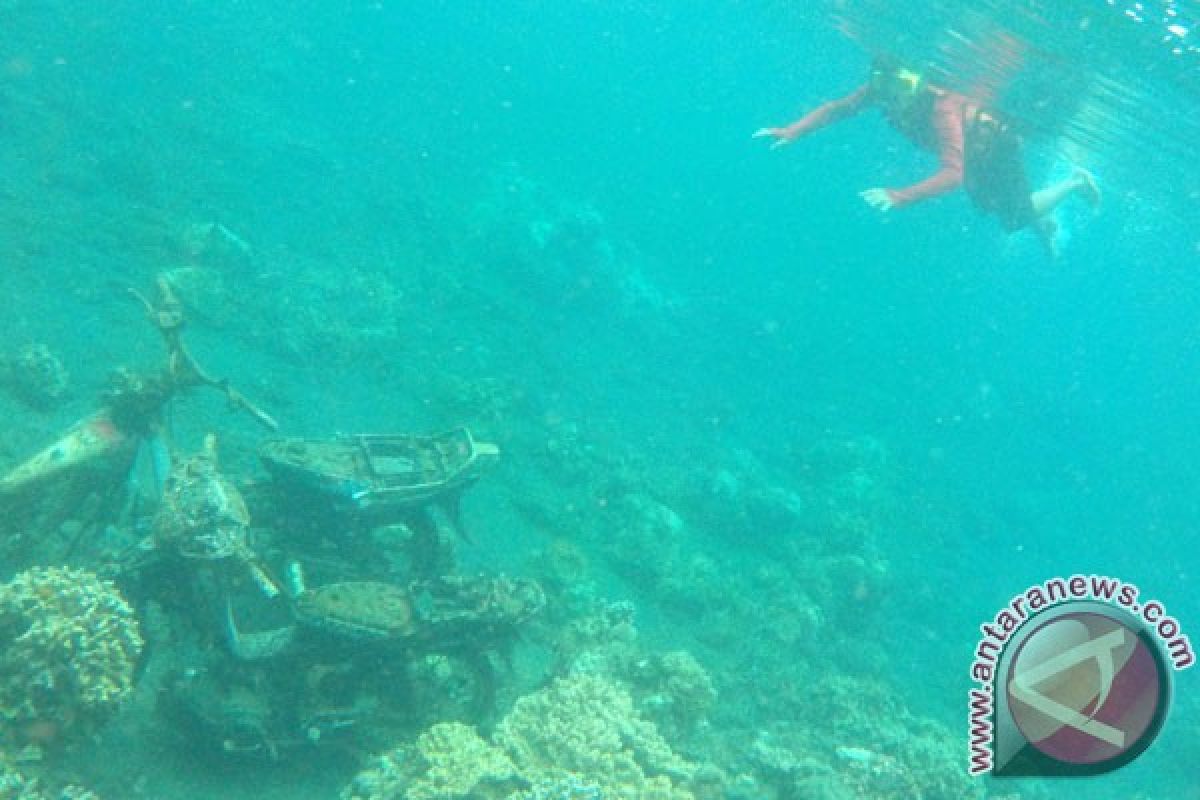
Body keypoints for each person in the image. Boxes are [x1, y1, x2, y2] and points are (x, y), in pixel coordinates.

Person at [754, 57, 1100, 255]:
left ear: (918, 83)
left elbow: (952, 175)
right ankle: (1042, 222)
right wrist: (792, 131)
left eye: (905, 86)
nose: (896, 96)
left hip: (994, 148)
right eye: (889, 87)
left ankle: (1073, 182)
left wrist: (899, 196)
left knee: (1011, 220)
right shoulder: (882, 90)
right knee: (994, 207)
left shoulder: (941, 107)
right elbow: (838, 109)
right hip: (974, 154)